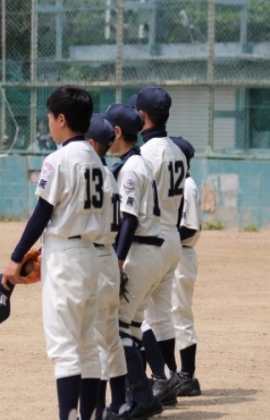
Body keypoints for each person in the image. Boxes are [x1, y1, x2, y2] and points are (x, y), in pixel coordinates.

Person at [1, 86, 105, 420]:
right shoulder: (95, 159)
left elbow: (42, 214)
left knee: (64, 349)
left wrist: (16, 257)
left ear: (62, 119)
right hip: (91, 255)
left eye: (49, 117)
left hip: (65, 257)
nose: (48, 122)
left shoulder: (58, 160)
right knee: (88, 346)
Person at [103, 103, 165, 419]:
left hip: (139, 252)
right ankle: (140, 398)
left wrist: (117, 259)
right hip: (153, 252)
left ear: (117, 132)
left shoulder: (130, 169)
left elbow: (129, 219)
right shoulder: (139, 163)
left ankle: (141, 399)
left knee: (116, 329)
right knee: (133, 328)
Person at [134, 86, 187, 405]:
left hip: (150, 239)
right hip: (172, 238)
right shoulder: (177, 151)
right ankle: (170, 384)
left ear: (142, 116)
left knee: (133, 316)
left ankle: (161, 378)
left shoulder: (145, 155)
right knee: (162, 315)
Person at [83, 115, 127, 420]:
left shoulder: (91, 175)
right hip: (110, 257)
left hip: (96, 258)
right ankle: (120, 403)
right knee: (112, 338)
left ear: (90, 143)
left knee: (96, 341)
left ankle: (97, 411)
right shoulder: (109, 176)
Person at [170, 136, 202, 397]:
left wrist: (164, 239)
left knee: (179, 313)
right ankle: (172, 375)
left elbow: (189, 227)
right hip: (173, 253)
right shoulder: (177, 184)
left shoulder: (188, 186)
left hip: (182, 254)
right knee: (166, 314)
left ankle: (188, 376)